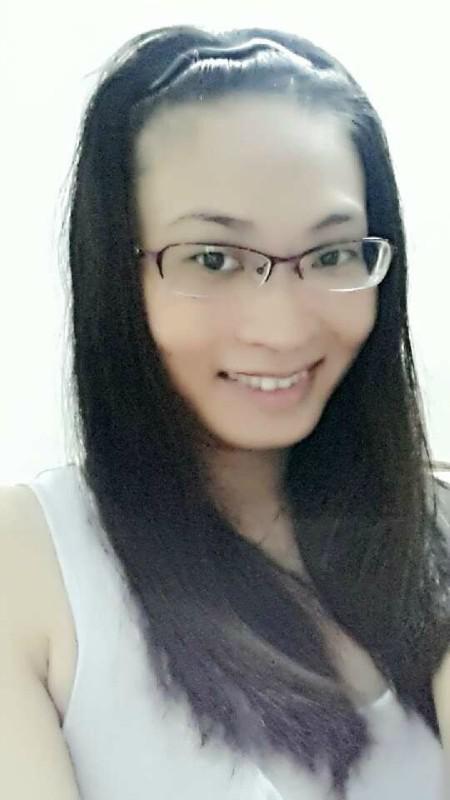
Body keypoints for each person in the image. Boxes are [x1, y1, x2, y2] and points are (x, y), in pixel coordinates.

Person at [1, 24, 449, 800]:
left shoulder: (432, 536)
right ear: (118, 275)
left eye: (332, 254)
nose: (281, 328)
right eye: (213, 259)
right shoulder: (30, 568)